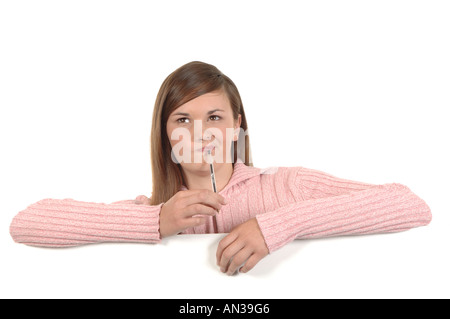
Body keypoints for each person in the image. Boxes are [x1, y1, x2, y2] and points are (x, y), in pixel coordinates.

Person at [9, 61, 432, 276]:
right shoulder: (147, 214)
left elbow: (410, 205)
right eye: (182, 120)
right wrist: (157, 220)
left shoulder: (289, 186)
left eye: (214, 118)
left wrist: (277, 226)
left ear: (236, 128)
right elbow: (25, 224)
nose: (200, 133)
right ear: (165, 134)